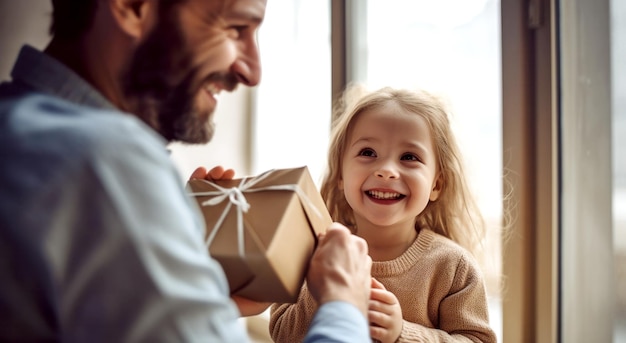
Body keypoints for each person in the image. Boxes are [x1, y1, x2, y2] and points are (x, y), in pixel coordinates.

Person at [0, 0, 372, 342]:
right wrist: (343, 306)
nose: (252, 71)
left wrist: (199, 296)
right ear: (132, 6)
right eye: (235, 28)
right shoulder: (105, 158)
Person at [270, 85, 497, 342]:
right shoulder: (311, 253)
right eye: (368, 153)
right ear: (341, 175)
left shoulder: (454, 267)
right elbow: (281, 334)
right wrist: (328, 291)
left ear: (436, 184)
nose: (386, 170)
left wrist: (403, 332)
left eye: (409, 157)